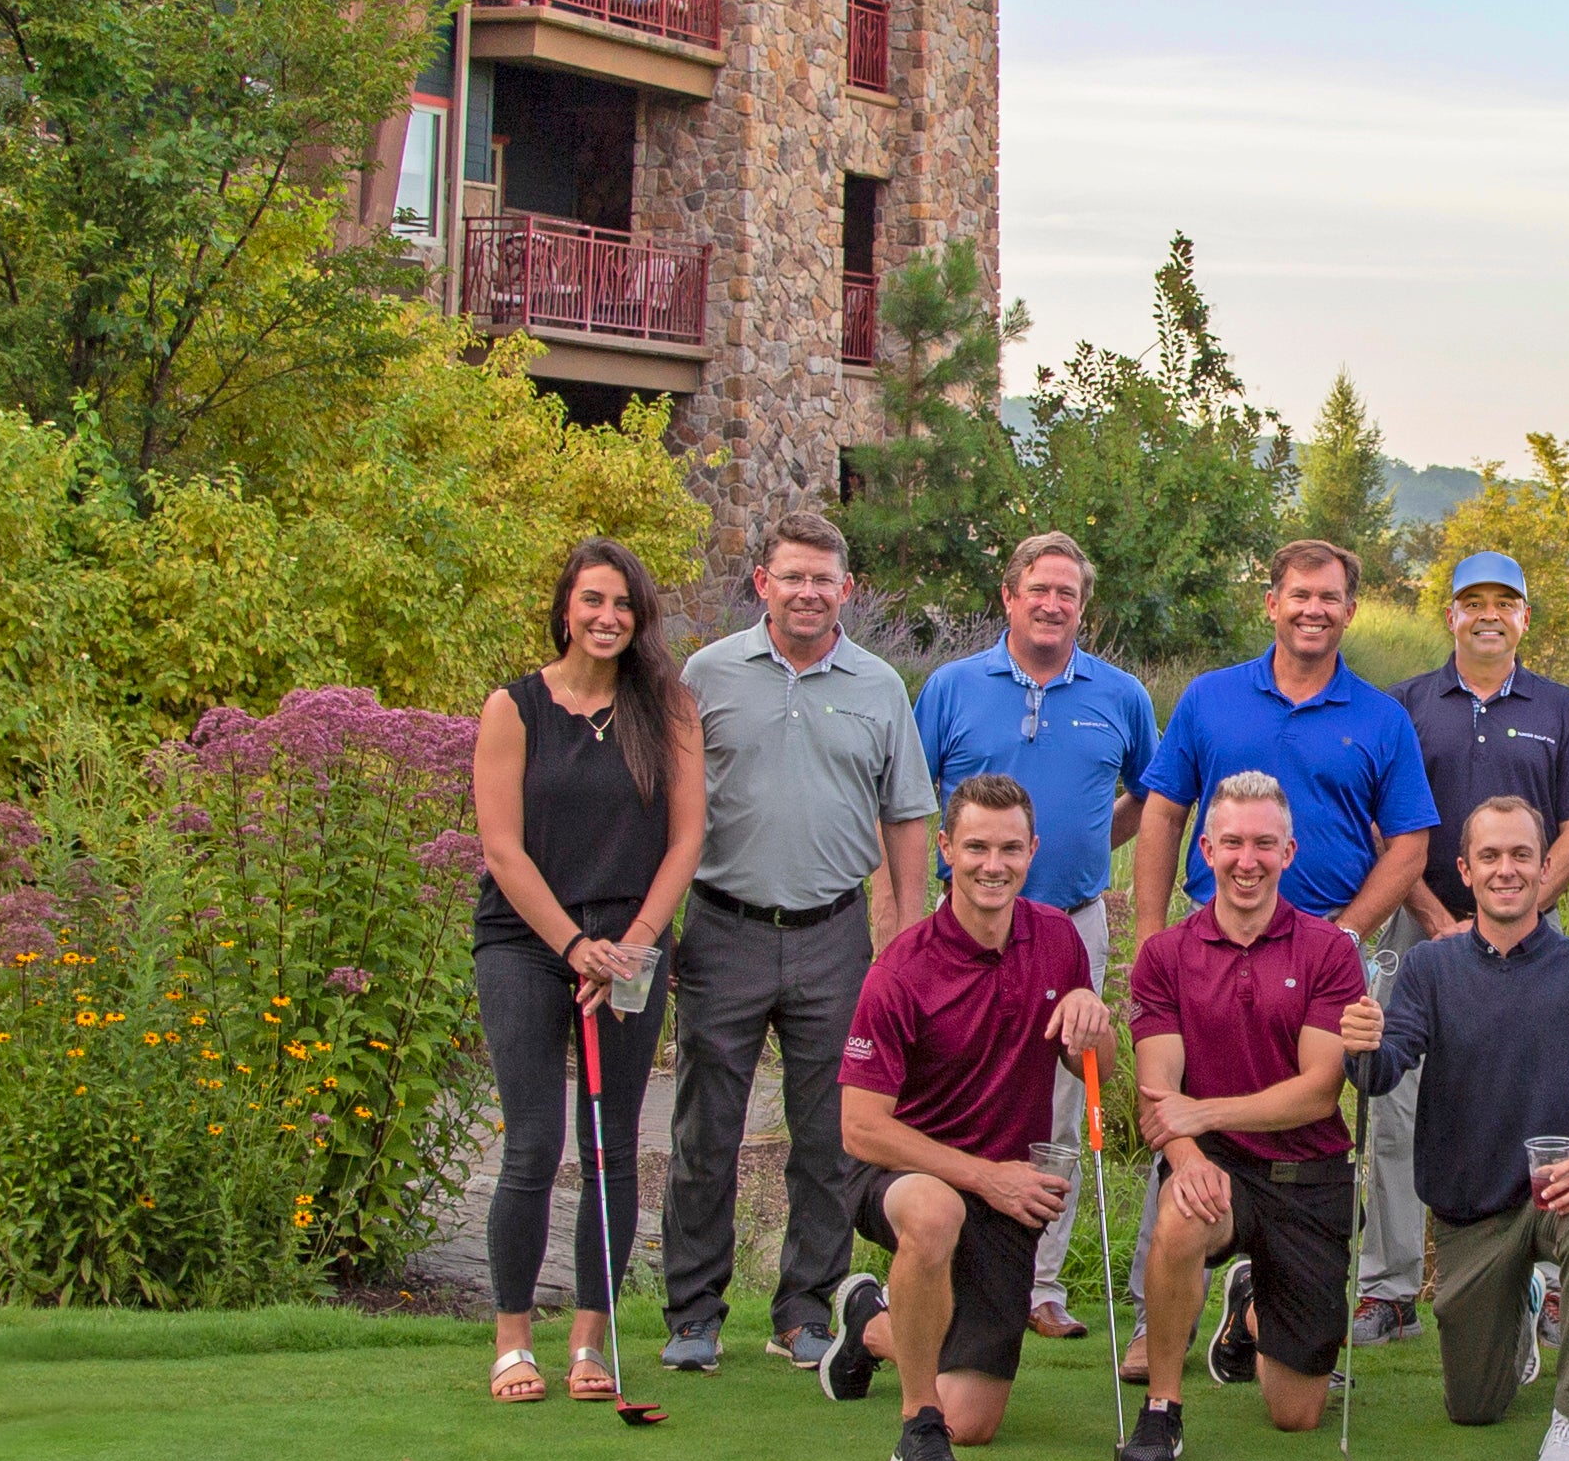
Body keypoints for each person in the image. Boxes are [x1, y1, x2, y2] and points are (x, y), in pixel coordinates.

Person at [666, 514, 937, 1380]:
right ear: (763, 584)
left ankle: (803, 1312)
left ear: (846, 590)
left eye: (824, 579)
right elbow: (670, 808)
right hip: (724, 928)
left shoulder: (879, 685)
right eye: (793, 577)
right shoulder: (706, 676)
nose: (809, 592)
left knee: (830, 1136)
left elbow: (907, 815)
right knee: (707, 1132)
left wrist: (903, 934)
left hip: (835, 935)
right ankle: (695, 1314)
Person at [828, 777, 1118, 1461]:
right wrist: (984, 1177)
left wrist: (1093, 1018)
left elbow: (1094, 1074)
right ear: (947, 851)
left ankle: (869, 1320)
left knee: (977, 1419)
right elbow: (860, 1129)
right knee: (937, 1212)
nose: (994, 864)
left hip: (1002, 1191)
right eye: (978, 847)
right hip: (901, 1173)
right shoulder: (900, 970)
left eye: (1011, 848)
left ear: (1033, 851)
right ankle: (916, 1430)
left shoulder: (1055, 940)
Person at [1348, 791, 1569, 1461]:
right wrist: (1362, 1045)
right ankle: (1524, 1304)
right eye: (1490, 855)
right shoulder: (1430, 967)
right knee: (1474, 1406)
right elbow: (1384, 1067)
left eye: (1522, 855)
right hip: (1472, 1208)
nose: (1506, 869)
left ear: (1546, 869)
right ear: (1465, 869)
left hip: (1560, 1193)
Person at [470, 538, 707, 1412]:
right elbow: (502, 848)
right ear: (565, 607)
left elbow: (686, 839)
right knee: (534, 1145)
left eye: (624, 605)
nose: (608, 618)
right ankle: (511, 1342)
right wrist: (575, 947)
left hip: (632, 948)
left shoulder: (667, 709)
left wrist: (634, 944)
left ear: (638, 619)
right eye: (593, 601)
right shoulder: (516, 707)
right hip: (528, 943)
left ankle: (588, 1340)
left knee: (612, 1148)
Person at [912, 531, 1158, 1339]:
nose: (1053, 605)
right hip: (961, 930)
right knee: (958, 1095)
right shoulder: (951, 687)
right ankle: (942, 1262)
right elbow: (914, 808)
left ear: (1083, 606)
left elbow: (1150, 801)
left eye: (1068, 594)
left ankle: (1037, 1285)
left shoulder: (1120, 695)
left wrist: (1086, 842)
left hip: (1070, 927)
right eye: (1039, 590)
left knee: (1064, 1098)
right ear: (1009, 595)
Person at [1362, 549, 1569, 1345]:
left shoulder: (1561, 708)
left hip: (1530, 929)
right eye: (1474, 601)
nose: (1490, 614)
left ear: (1525, 617)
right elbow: (1384, 822)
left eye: (1506, 601)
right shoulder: (1405, 705)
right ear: (1451, 615)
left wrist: (1518, 907)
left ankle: (1537, 1280)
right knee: (1394, 1105)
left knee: (1541, 1098)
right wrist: (1438, 917)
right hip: (1416, 916)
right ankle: (1390, 1287)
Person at [1117, 773, 1375, 1461]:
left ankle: (1249, 1314)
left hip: (1309, 1177)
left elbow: (1318, 1093)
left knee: (1296, 1414)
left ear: (1290, 851)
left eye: (1264, 843)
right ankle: (1163, 1411)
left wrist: (1201, 1113)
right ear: (1205, 849)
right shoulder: (1164, 955)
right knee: (1180, 1215)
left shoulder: (1328, 951)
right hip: (1218, 1169)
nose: (1246, 859)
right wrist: (1187, 1154)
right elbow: (1157, 1092)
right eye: (1231, 842)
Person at [1135, 540, 1436, 954]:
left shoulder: (1384, 719)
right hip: (1211, 934)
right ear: (1273, 604)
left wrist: (1346, 935)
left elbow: (1410, 848)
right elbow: (1165, 815)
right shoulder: (1208, 697)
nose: (1314, 610)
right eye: (1300, 595)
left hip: (1327, 938)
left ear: (1349, 612)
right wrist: (1150, 939)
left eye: (1329, 598)